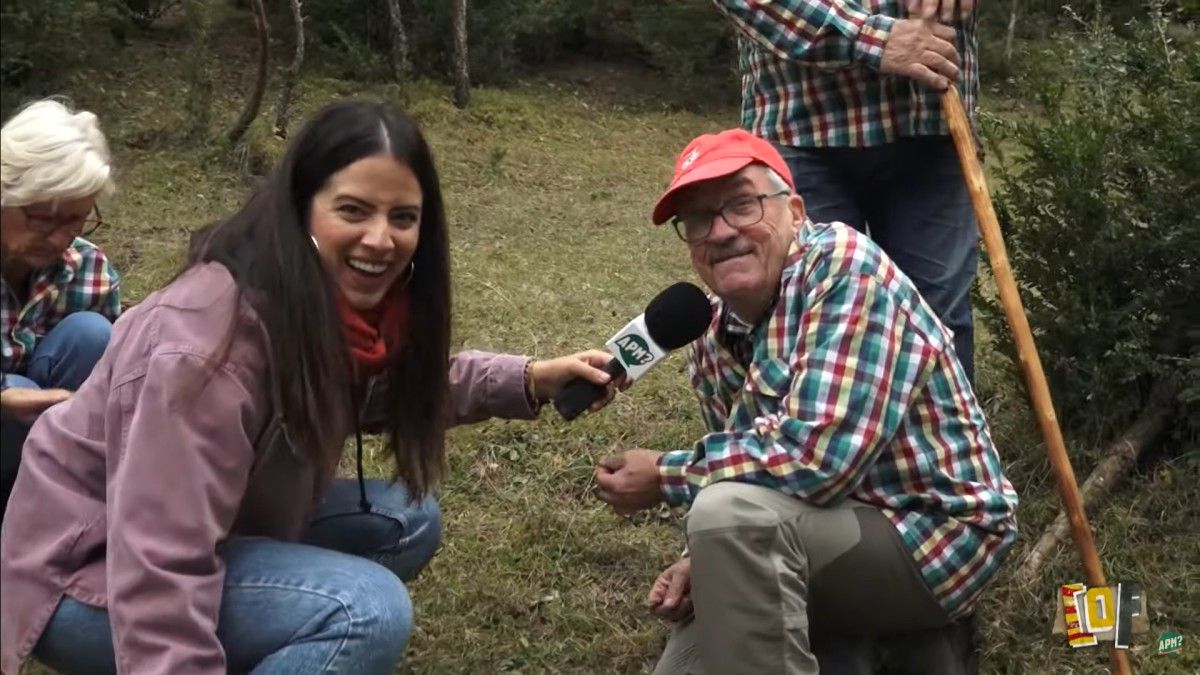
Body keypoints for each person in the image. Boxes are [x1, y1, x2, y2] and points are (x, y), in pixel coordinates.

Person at [0, 100, 622, 675]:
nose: (381, 239)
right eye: (353, 210)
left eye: (402, 217)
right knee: (363, 610)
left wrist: (529, 380)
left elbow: (382, 390)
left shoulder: (313, 297)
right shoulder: (199, 349)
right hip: (84, 570)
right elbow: (158, 563)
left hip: (210, 522)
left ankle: (269, 635)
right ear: (301, 208)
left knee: (408, 517)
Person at [594, 129, 1017, 674]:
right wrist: (697, 559)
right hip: (819, 528)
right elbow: (742, 473)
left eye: (742, 205)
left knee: (726, 518)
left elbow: (816, 462)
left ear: (794, 210)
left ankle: (907, 633)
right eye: (698, 220)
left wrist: (666, 476)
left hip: (931, 535)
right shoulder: (710, 332)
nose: (721, 232)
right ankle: (869, 645)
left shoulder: (845, 269)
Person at [711, 0, 982, 381]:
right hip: (802, 125)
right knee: (810, 315)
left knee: (936, 320)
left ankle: (937, 442)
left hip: (932, 119)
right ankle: (805, 440)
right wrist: (870, 38)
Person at [1, 99, 120, 521]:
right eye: (41, 219)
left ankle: (62, 505)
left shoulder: (87, 268)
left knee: (95, 334)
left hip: (52, 439)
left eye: (74, 221)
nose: (58, 239)